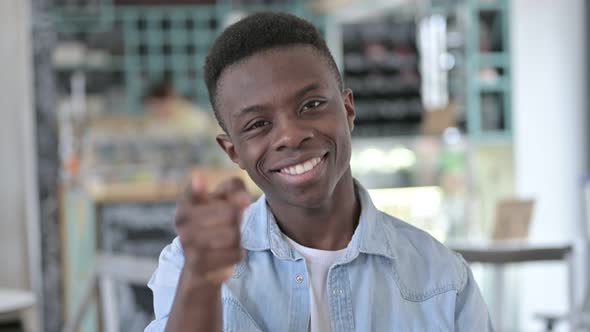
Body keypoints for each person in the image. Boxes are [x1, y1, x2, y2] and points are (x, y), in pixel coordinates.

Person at [145, 12, 493, 332]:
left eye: (311, 105)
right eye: (258, 124)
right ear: (232, 150)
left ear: (348, 109)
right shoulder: (187, 266)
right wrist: (201, 280)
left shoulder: (444, 280)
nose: (291, 135)